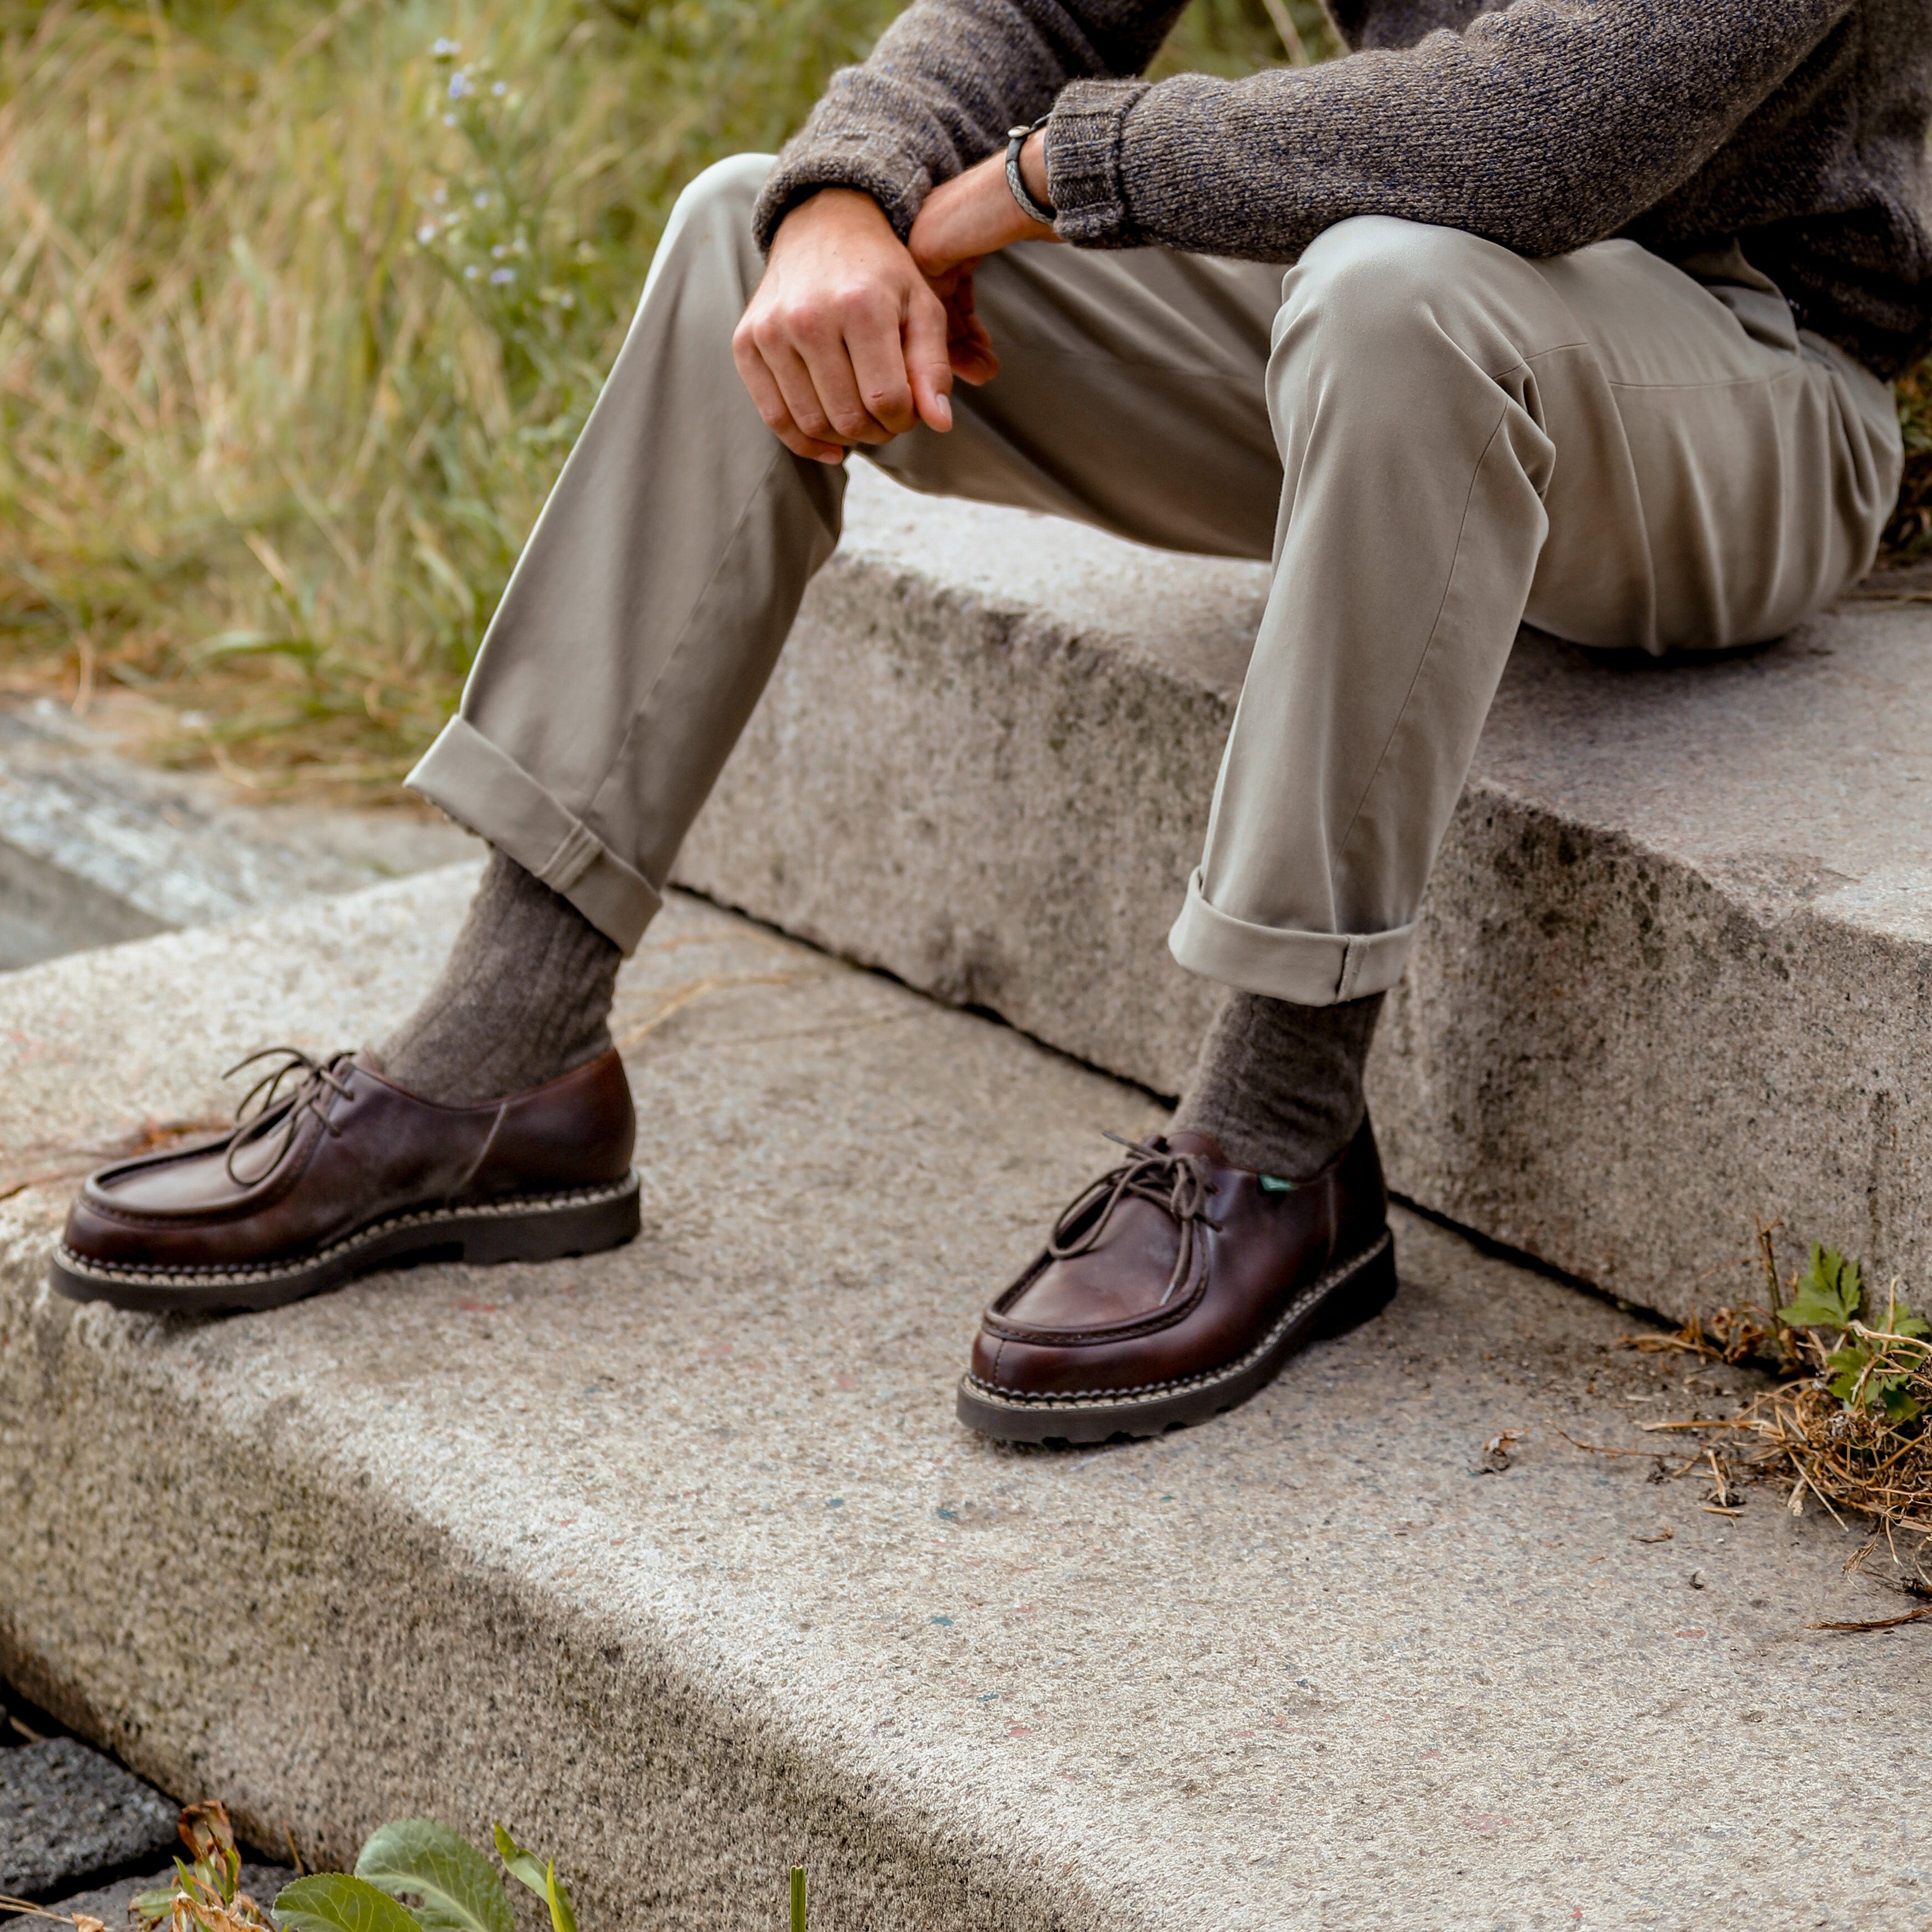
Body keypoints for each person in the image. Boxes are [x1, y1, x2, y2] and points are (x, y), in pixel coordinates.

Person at [52, 1, 1926, 1444]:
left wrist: (1059, 171)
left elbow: (1552, 130)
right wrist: (857, 194)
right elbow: (1026, 12)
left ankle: (1283, 1140)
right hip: (1398, 274)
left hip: (1745, 388)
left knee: (1395, 293)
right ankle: (506, 1063)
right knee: (747, 235)